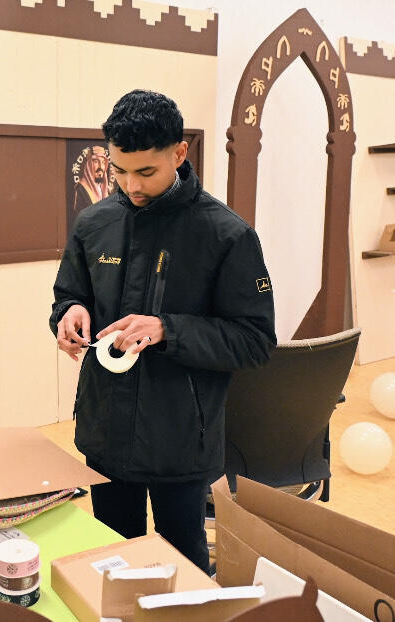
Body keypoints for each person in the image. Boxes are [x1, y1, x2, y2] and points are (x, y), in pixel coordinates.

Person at [50, 89, 276, 571]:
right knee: (115, 561)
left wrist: (167, 330)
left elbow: (254, 341)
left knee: (183, 565)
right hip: (104, 429)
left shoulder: (227, 234)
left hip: (180, 439)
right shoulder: (93, 223)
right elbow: (69, 294)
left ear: (179, 152)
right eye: (118, 169)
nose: (130, 184)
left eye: (146, 172)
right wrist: (69, 314)